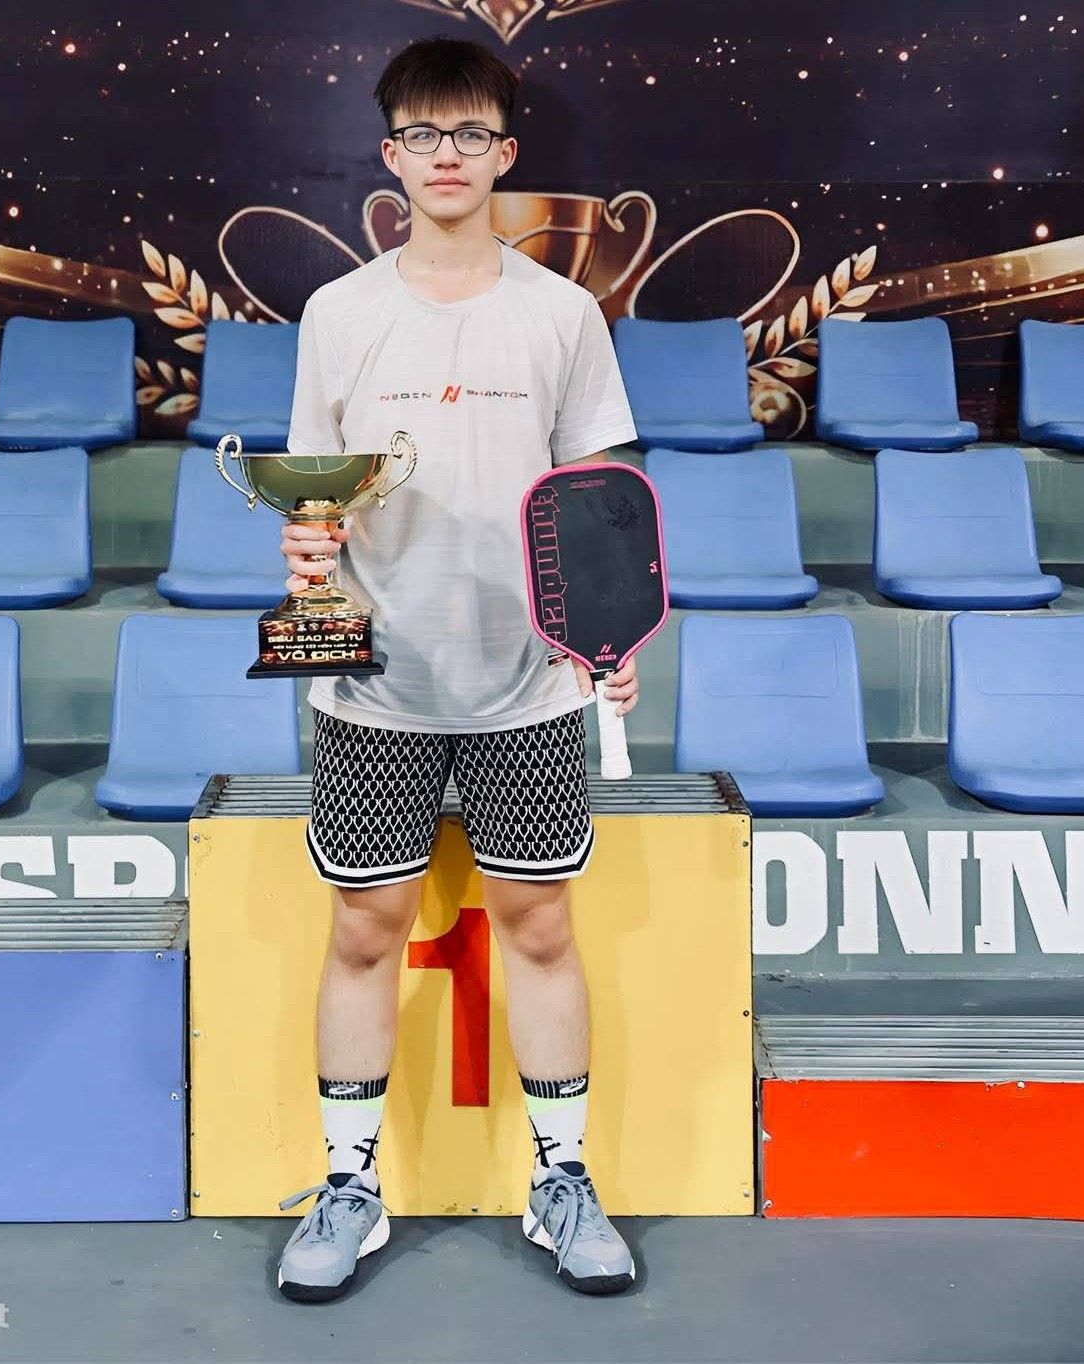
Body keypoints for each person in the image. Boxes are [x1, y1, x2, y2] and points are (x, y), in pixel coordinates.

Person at [273, 34, 641, 1303]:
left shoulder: (560, 313)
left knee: (536, 924)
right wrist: (306, 547)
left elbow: (598, 497)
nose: (447, 155)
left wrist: (609, 641)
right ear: (389, 155)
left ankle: (562, 1178)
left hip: (529, 684)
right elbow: (313, 494)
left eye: (469, 134)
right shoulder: (337, 315)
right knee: (362, 928)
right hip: (373, 684)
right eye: (424, 135)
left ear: (504, 153)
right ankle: (348, 1185)